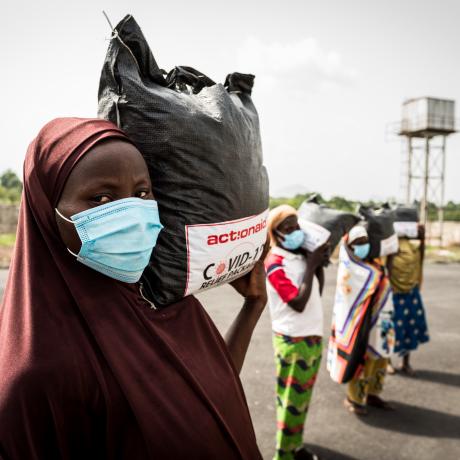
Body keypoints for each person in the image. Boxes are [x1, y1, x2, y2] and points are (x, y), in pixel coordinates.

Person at [0, 118, 268, 459]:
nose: (132, 212)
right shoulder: (39, 372)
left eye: (142, 192)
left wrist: (252, 308)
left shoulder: (162, 300)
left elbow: (209, 388)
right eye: (100, 198)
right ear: (45, 209)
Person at [265, 205, 329, 460]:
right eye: (287, 228)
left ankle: (295, 446)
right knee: (290, 401)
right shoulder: (274, 262)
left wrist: (317, 263)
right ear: (275, 233)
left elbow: (317, 292)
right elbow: (298, 303)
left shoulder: (299, 256)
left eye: (296, 226)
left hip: (312, 335)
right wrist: (311, 266)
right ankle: (284, 454)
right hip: (293, 340)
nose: (294, 232)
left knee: (301, 400)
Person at [327, 225, 395, 416]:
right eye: (358, 243)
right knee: (360, 360)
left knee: (379, 358)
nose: (363, 246)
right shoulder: (348, 268)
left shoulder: (374, 262)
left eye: (365, 242)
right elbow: (362, 287)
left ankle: (373, 394)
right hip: (358, 325)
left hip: (379, 321)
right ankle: (354, 398)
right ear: (349, 246)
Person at [387, 224, 429, 375]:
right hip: (393, 294)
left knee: (408, 329)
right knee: (390, 329)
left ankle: (405, 363)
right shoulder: (390, 246)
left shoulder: (413, 248)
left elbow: (421, 260)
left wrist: (423, 239)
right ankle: (387, 361)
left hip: (410, 293)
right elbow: (387, 269)